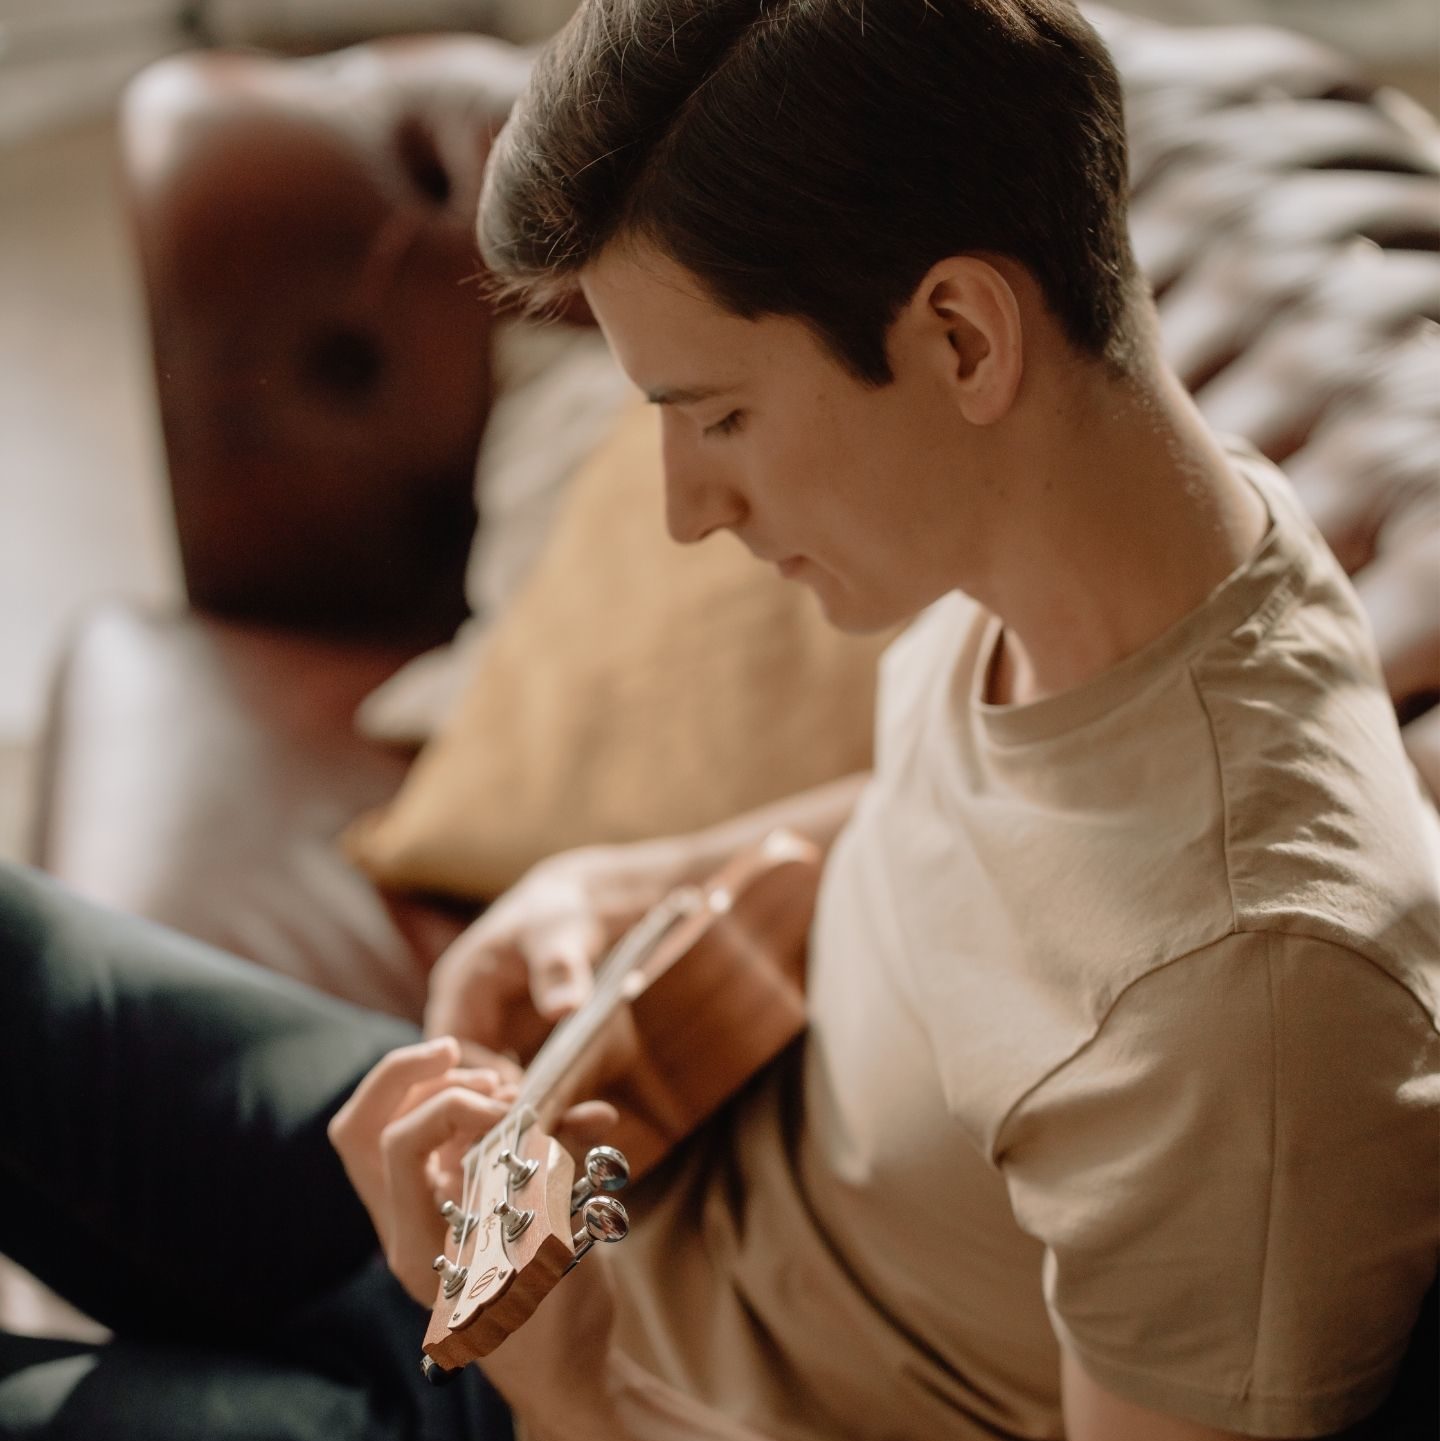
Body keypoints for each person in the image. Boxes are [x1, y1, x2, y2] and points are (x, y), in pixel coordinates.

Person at [1, 1, 1436, 1438]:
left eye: (721, 418)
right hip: (594, 1202)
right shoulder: (1121, 535)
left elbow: (1135, 952)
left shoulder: (1247, 1011)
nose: (686, 508)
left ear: (959, 335)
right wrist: (638, 878)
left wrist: (583, 1392)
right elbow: (1005, 856)